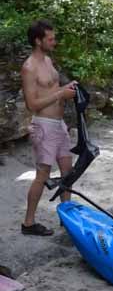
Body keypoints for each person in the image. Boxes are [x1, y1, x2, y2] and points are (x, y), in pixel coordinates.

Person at [21, 20, 77, 236]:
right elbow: (32, 104)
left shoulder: (47, 60)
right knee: (42, 174)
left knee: (67, 172)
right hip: (43, 126)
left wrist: (66, 88)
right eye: (50, 39)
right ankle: (28, 223)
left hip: (59, 125)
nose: (55, 42)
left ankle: (66, 217)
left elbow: (52, 91)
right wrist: (60, 94)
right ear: (38, 40)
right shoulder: (29, 68)